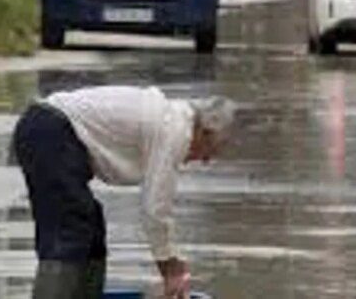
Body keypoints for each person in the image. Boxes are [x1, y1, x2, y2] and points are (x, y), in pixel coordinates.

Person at [12, 86, 237, 298]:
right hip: (50, 130)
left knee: (91, 228)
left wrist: (169, 261)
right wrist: (170, 267)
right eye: (211, 150)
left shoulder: (172, 120)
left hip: (50, 130)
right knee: (70, 230)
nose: (206, 161)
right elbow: (156, 208)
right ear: (205, 131)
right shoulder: (176, 130)